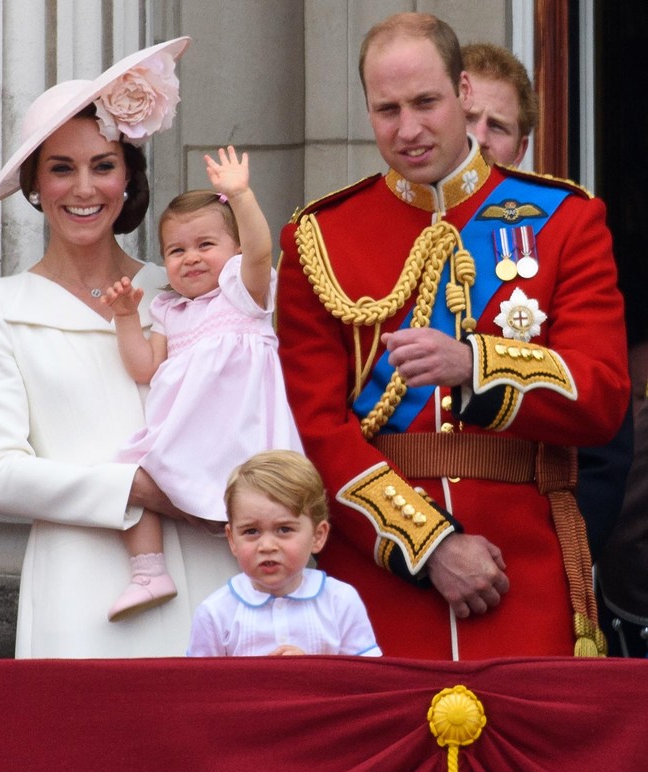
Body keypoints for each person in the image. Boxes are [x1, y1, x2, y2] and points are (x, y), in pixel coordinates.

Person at [276, 13, 630, 660]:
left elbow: (601, 394)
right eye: (387, 110)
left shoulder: (565, 220)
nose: (408, 129)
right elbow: (315, 431)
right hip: (375, 580)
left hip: (520, 569)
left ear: (463, 91)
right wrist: (429, 544)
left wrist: (475, 365)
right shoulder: (320, 238)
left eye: (425, 103)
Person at [0, 37, 240, 659]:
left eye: (103, 166)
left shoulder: (178, 288)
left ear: (128, 177)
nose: (84, 188)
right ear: (35, 184)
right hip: (81, 595)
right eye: (61, 168)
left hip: (213, 579)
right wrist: (138, 489)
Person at [103, 146, 303, 621]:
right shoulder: (168, 309)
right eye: (176, 250)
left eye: (205, 245)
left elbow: (260, 248)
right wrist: (127, 318)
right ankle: (149, 570)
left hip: (241, 437)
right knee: (128, 474)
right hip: (187, 437)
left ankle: (278, 589)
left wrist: (241, 196)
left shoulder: (243, 292)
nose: (190, 258)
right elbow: (143, 368)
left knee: (264, 510)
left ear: (234, 252)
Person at [461, 41, 634, 565]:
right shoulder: (370, 230)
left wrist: (554, 559)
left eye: (497, 126)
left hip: (527, 545)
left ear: (521, 148)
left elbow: (603, 445)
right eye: (468, 118)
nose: (479, 138)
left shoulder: (564, 230)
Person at [187, 450, 382, 657]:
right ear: (232, 539)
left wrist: (311, 669)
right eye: (251, 531)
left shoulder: (340, 601)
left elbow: (367, 674)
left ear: (317, 536)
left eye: (284, 529)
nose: (267, 546)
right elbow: (199, 677)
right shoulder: (215, 613)